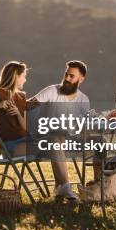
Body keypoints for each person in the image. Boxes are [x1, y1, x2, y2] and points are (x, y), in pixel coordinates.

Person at [29, 61, 90, 200]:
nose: (67, 78)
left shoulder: (83, 99)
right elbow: (28, 105)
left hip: (69, 140)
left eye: (72, 76)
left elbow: (83, 126)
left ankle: (97, 187)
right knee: (57, 138)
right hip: (45, 140)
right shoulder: (52, 91)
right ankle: (65, 187)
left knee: (100, 141)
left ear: (81, 79)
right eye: (66, 74)